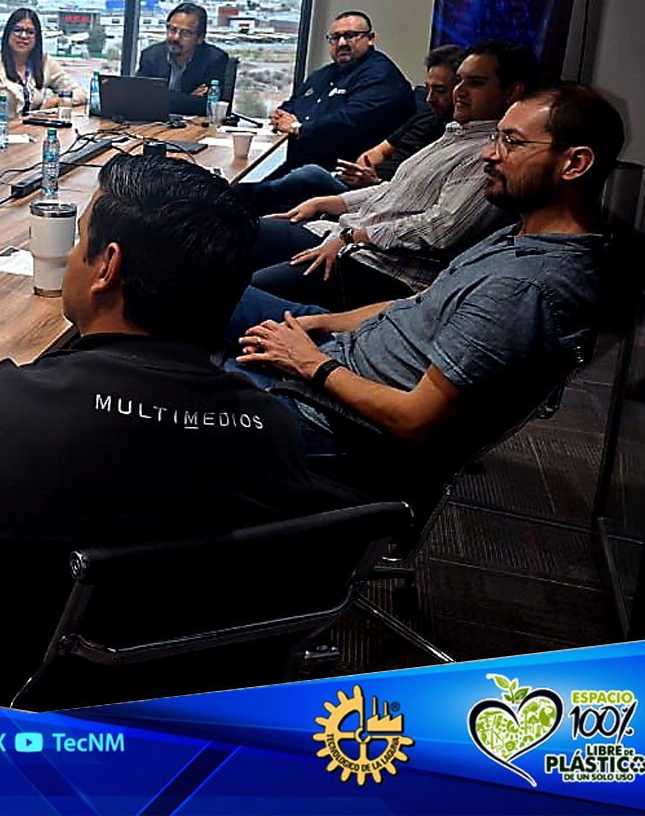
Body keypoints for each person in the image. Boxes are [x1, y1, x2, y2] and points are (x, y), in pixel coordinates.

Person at [0, 154, 353, 695]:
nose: (72, 255)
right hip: (202, 692)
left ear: (106, 268)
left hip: (30, 684)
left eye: (78, 240)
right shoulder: (273, 429)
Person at [232, 84, 622, 502]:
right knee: (206, 292)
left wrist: (309, 363)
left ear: (575, 163)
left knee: (178, 398)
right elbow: (418, 302)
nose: (489, 154)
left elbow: (417, 420)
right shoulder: (522, 234)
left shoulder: (523, 288)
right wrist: (319, 323)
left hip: (330, 424)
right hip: (337, 355)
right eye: (496, 138)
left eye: (511, 142)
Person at [247, 41, 538, 309]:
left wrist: (352, 235)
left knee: (243, 291)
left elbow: (442, 228)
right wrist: (324, 203)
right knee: (238, 232)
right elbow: (395, 189)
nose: (458, 91)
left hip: (383, 266)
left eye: (475, 83)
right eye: (459, 80)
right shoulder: (456, 134)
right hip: (351, 238)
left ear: (512, 92)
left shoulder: (490, 153)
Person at [235, 44, 463, 216]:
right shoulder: (427, 113)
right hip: (358, 180)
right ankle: (236, 201)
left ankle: (234, 198)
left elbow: (412, 194)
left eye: (439, 91)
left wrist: (375, 182)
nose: (430, 98)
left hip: (379, 194)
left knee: (309, 174)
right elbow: (380, 151)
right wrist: (360, 171)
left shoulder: (455, 138)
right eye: (335, 37)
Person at [269, 10, 416, 173]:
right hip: (299, 162)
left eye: (350, 36)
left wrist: (299, 127)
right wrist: (280, 117)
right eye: (335, 37)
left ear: (370, 39)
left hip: (339, 171)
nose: (341, 43)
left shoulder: (381, 75)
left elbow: (349, 123)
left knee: (254, 187)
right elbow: (293, 105)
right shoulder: (323, 74)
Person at [0, 7, 84, 129]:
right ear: (8, 33)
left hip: (34, 134)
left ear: (37, 38)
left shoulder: (45, 62)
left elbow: (80, 94)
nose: (23, 36)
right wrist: (18, 123)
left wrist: (57, 100)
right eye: (18, 30)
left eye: (30, 32)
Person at [135, 2, 232, 116]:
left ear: (200, 38)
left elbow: (209, 106)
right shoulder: (151, 56)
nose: (176, 38)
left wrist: (160, 97)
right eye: (172, 30)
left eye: (186, 33)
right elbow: (139, 97)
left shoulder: (214, 60)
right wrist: (189, 98)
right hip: (155, 122)